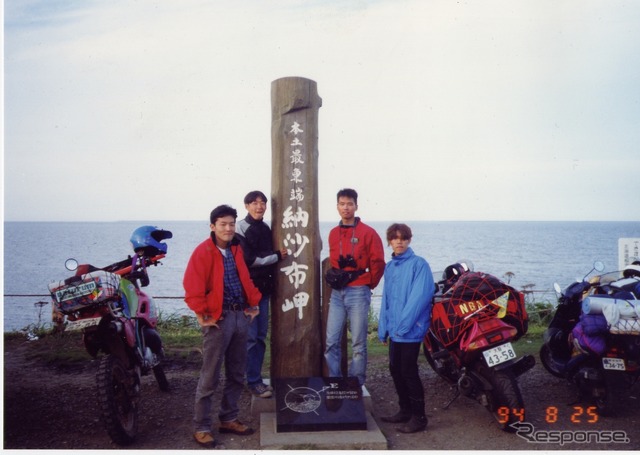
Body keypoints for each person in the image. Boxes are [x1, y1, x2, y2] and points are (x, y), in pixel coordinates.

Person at [183, 204, 262, 448]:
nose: (228, 228)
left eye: (231, 224)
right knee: (210, 376)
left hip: (240, 317)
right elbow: (192, 286)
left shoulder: (236, 248)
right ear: (212, 226)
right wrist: (201, 315)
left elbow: (245, 280)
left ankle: (228, 418)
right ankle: (202, 426)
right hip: (218, 320)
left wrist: (254, 303)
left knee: (237, 373)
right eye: (223, 224)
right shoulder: (203, 251)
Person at [324, 188, 385, 386]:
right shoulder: (333, 233)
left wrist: (369, 284)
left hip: (359, 291)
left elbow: (378, 262)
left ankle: (356, 383)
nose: (346, 208)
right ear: (337, 207)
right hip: (337, 294)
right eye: (342, 204)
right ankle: (334, 381)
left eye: (350, 204)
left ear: (356, 206)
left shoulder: (368, 233)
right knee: (331, 341)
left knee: (358, 342)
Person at [378, 223, 435, 433]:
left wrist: (402, 327)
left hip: (410, 331)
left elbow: (419, 298)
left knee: (408, 371)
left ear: (409, 240)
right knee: (395, 370)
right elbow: (386, 300)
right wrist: (384, 327)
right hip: (395, 331)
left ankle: (419, 418)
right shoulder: (390, 267)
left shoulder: (419, 264)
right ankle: (405, 411)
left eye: (403, 238)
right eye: (395, 238)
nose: (399, 242)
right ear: (389, 242)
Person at [235, 190, 288, 399]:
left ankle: (253, 378)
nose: (259, 206)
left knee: (259, 337)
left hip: (263, 293)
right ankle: (254, 382)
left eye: (263, 203)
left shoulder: (266, 228)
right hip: (247, 292)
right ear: (247, 206)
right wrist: (276, 256)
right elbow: (250, 260)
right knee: (250, 338)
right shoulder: (241, 227)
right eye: (254, 203)